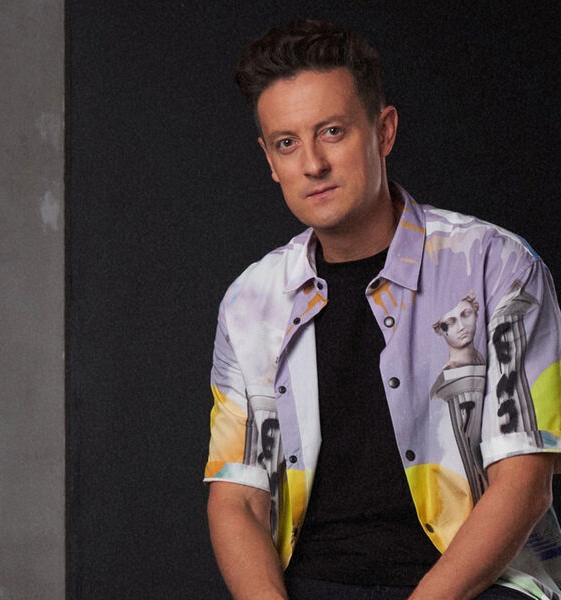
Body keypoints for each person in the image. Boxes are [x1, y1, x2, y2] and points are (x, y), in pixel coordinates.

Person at [204, 19, 561, 600]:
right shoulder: (252, 301)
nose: (312, 164)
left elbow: (524, 481)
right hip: (311, 583)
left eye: (332, 132)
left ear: (384, 131)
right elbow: (237, 499)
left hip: (476, 585)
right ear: (270, 160)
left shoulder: (496, 265)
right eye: (287, 143)